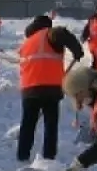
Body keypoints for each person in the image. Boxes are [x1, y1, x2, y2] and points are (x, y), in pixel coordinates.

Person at [16, 14, 84, 162]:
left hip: (28, 88)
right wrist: (77, 50)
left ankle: (22, 155)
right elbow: (62, 33)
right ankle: (48, 157)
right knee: (50, 124)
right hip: (49, 88)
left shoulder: (26, 43)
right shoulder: (49, 33)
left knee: (28, 123)